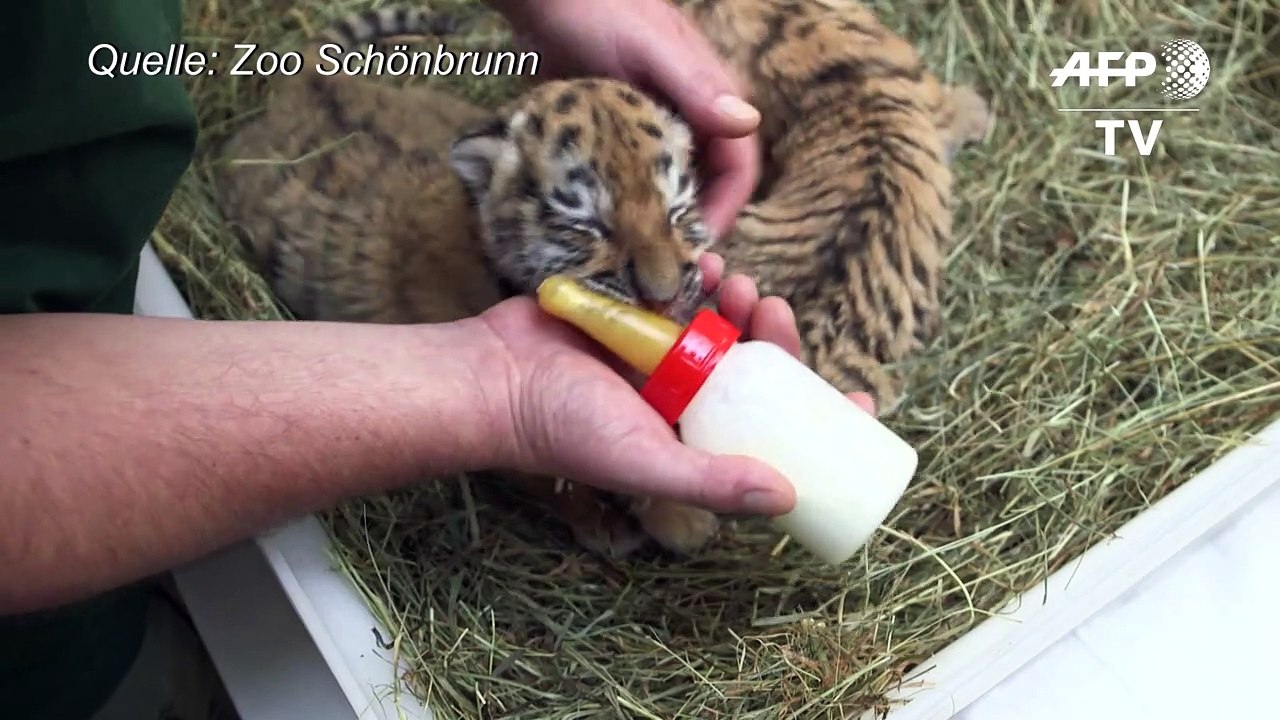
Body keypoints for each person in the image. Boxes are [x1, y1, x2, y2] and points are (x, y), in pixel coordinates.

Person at [0, 1, 876, 717]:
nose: (657, 277)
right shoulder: (446, 264)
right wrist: (517, 423)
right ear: (488, 196)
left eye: (677, 214)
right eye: (585, 225)